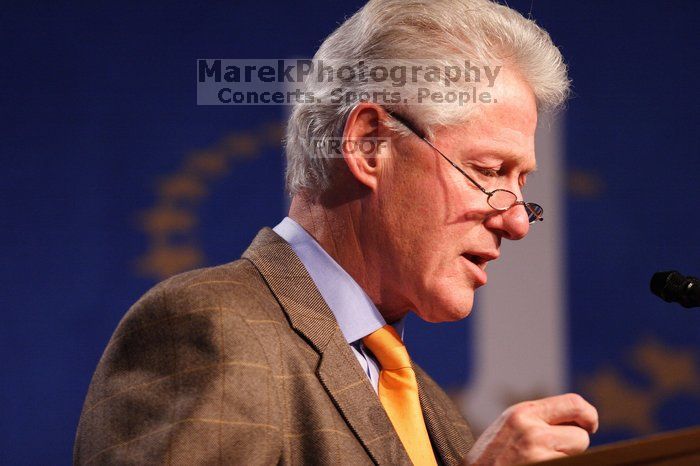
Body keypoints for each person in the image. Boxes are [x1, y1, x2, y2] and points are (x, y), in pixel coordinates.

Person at [74, 0, 598, 464]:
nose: (514, 222)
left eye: (520, 184)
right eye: (487, 171)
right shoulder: (212, 328)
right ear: (371, 144)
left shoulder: (433, 410)